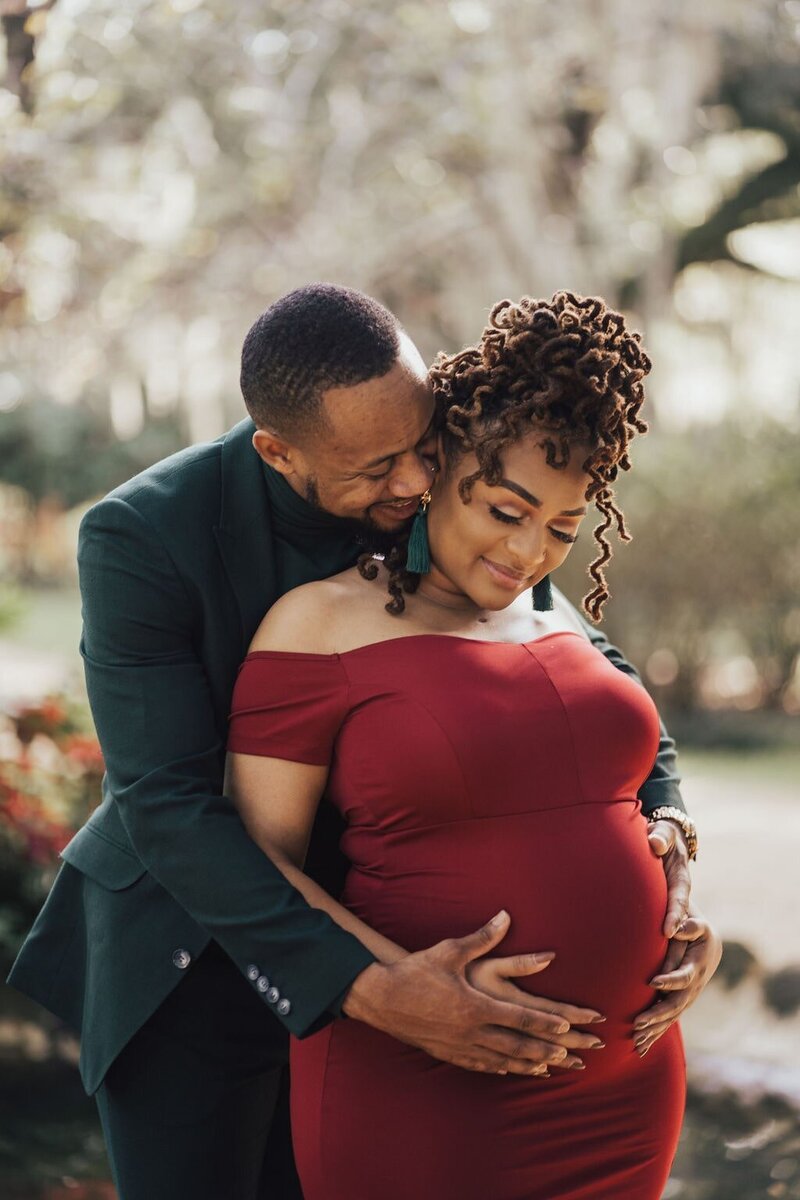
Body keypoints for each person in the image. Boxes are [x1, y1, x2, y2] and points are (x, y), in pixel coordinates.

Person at [7, 285, 716, 1200]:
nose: (417, 485)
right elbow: (166, 804)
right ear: (279, 452)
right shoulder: (143, 534)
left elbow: (592, 670)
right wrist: (379, 991)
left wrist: (671, 837)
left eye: (425, 445)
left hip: (395, 938)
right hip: (197, 956)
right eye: (380, 467)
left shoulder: (446, 485)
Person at [225, 291, 719, 1199]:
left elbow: (638, 787)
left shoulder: (554, 621)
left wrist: (680, 893)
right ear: (438, 463)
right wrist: (392, 993)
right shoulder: (319, 624)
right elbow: (256, 864)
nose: (530, 552)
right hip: (423, 1077)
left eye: (564, 529)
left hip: (627, 1087)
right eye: (505, 510)